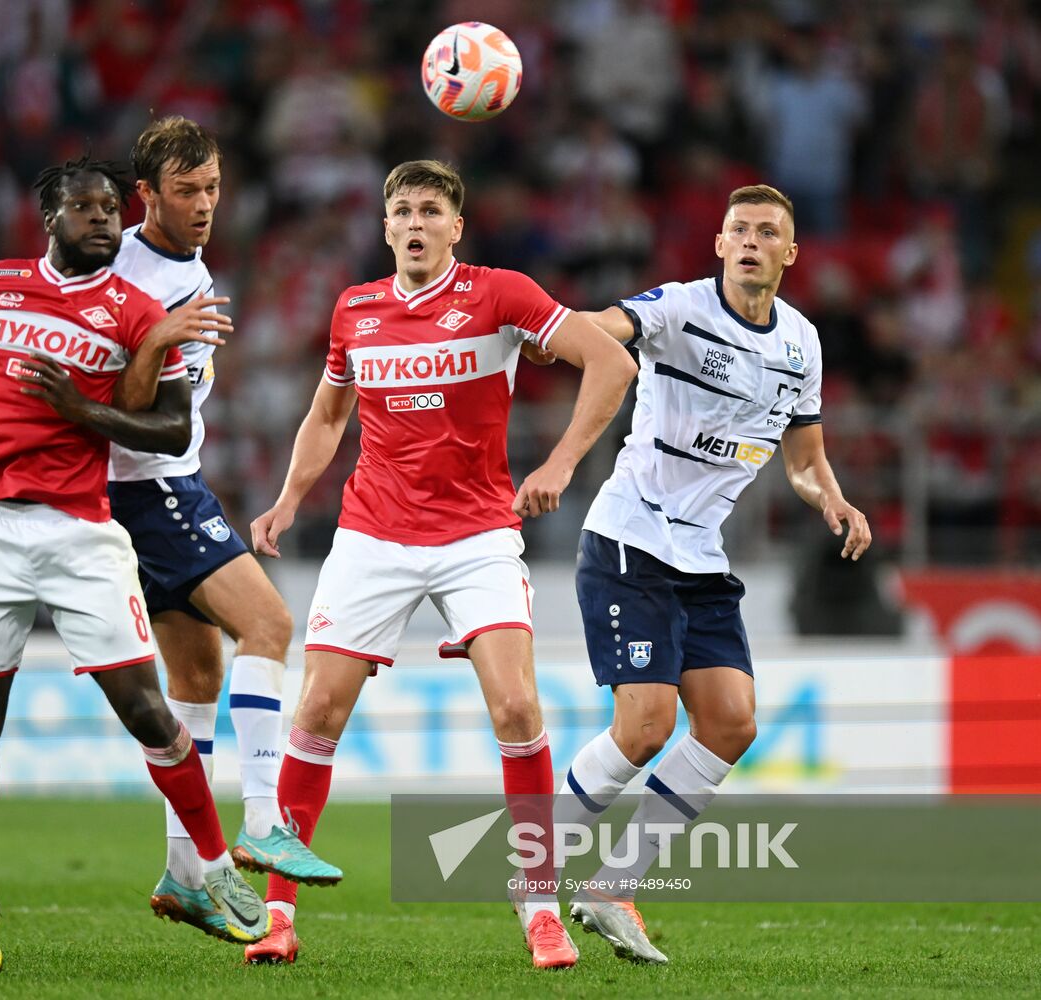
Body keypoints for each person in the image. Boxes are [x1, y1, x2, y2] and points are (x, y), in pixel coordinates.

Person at [243, 159, 639, 969]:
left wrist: (561, 463)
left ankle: (537, 907)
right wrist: (289, 498)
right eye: (401, 211)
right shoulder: (355, 309)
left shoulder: (500, 294)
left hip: (475, 536)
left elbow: (613, 363)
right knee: (315, 711)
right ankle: (277, 915)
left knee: (517, 709)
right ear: (385, 227)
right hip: (372, 533)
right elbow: (327, 415)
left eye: (430, 210)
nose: (414, 222)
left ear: (456, 226)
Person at [0, 156, 270, 977]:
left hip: (79, 529)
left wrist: (78, 409)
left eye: (107, 208)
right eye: (83, 208)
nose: (101, 219)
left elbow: (167, 431)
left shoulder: (137, 311)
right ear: (49, 219)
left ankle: (215, 865)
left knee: (146, 710)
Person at [557, 184, 871, 964]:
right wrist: (558, 332)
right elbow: (609, 327)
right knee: (646, 726)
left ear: (790, 253)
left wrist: (829, 499)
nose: (752, 241)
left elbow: (803, 458)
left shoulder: (800, 344)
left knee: (731, 724)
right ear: (721, 245)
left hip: (700, 554)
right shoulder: (679, 306)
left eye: (768, 232)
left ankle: (611, 887)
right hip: (630, 539)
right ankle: (534, 852)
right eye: (739, 230)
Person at [106, 116, 341, 942]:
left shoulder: (184, 264)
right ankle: (262, 817)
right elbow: (130, 410)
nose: (205, 204)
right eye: (185, 191)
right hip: (152, 488)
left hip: (159, 487)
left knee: (197, 683)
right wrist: (161, 338)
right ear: (146, 194)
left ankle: (183, 873)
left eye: (212, 187)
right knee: (270, 624)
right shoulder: (131, 275)